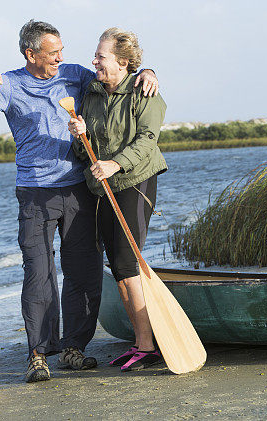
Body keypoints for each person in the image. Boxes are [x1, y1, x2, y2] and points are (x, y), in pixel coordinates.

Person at [0, 20, 160, 383]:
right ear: (30, 54)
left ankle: (74, 347)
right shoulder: (7, 83)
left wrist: (147, 70)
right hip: (35, 193)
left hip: (79, 190)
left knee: (84, 272)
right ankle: (39, 351)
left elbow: (116, 78)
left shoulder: (74, 75)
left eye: (61, 51)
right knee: (38, 272)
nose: (61, 58)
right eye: (53, 53)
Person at [67, 27, 167, 371]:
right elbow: (86, 152)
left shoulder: (144, 91)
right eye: (95, 55)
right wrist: (80, 137)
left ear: (123, 62)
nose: (94, 61)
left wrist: (115, 163)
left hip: (136, 181)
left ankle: (148, 345)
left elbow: (147, 140)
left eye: (101, 56)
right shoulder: (91, 94)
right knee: (118, 267)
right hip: (102, 188)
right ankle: (141, 343)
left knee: (127, 262)